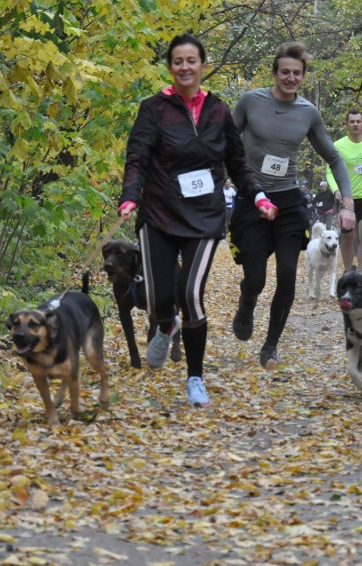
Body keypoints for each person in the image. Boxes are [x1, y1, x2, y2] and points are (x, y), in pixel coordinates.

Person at [118, 33, 270, 407]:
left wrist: (259, 195)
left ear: (202, 65)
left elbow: (236, 163)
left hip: (204, 215)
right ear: (170, 67)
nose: (185, 67)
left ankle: (195, 378)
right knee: (158, 299)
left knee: (191, 294)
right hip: (158, 211)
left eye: (192, 60)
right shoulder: (153, 109)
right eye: (177, 61)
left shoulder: (219, 111)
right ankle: (165, 324)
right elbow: (137, 157)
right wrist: (129, 196)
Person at [230, 41, 354, 369]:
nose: (290, 77)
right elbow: (225, 146)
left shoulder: (308, 113)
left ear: (303, 76)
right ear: (274, 72)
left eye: (296, 73)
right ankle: (247, 303)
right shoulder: (250, 102)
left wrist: (348, 201)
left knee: (287, 274)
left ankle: (270, 347)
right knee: (255, 279)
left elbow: (334, 157)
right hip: (251, 200)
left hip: (288, 200)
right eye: (284, 72)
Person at [326, 110, 362, 271]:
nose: (355, 124)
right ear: (347, 125)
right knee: (348, 235)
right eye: (352, 122)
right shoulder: (338, 145)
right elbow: (330, 171)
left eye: (358, 121)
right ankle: (348, 271)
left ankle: (361, 273)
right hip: (347, 197)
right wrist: (335, 189)